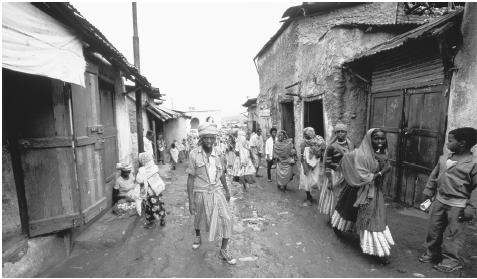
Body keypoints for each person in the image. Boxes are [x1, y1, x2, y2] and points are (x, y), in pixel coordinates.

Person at [330, 128, 394, 264]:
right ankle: (338, 228)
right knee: (351, 212)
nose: (380, 141)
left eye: (383, 138)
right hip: (359, 189)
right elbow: (359, 171)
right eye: (376, 138)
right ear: (370, 140)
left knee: (373, 218)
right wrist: (382, 172)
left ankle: (378, 252)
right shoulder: (362, 154)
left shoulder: (382, 153)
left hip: (374, 191)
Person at [419, 127, 477, 273]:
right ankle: (432, 253)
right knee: (433, 229)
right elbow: (434, 175)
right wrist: (429, 190)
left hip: (458, 205)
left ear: (462, 143)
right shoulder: (444, 158)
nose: (446, 143)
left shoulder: (473, 164)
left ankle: (451, 260)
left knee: (454, 234)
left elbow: (476, 188)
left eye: (450, 140)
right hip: (439, 201)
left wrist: (471, 207)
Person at [186, 123, 236, 265]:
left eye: (212, 138)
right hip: (200, 192)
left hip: (216, 190)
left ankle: (223, 250)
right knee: (199, 217)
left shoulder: (219, 152)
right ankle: (197, 236)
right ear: (201, 138)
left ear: (215, 138)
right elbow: (190, 178)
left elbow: (221, 173)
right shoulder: (193, 154)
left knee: (227, 218)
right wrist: (190, 201)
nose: (209, 141)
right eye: (206, 138)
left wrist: (226, 189)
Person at [319, 123, 355, 218]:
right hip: (335, 175)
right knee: (335, 196)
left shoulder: (351, 145)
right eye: (338, 132)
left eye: (342, 131)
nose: (340, 133)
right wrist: (330, 181)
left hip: (348, 175)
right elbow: (327, 163)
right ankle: (333, 216)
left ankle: (342, 217)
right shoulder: (332, 147)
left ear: (346, 132)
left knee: (345, 196)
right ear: (335, 134)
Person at [136, 152, 166, 228]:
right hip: (157, 190)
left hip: (149, 193)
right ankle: (161, 218)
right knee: (157, 205)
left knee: (149, 207)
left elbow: (138, 180)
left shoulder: (142, 170)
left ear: (142, 161)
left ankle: (152, 221)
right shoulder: (155, 167)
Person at [299, 127, 326, 206]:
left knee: (315, 180)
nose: (307, 136)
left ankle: (311, 195)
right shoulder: (303, 142)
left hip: (316, 163)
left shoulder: (319, 140)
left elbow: (323, 148)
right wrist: (304, 166)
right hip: (306, 163)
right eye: (306, 134)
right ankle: (308, 197)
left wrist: (318, 151)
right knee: (306, 180)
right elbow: (301, 155)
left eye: (312, 132)